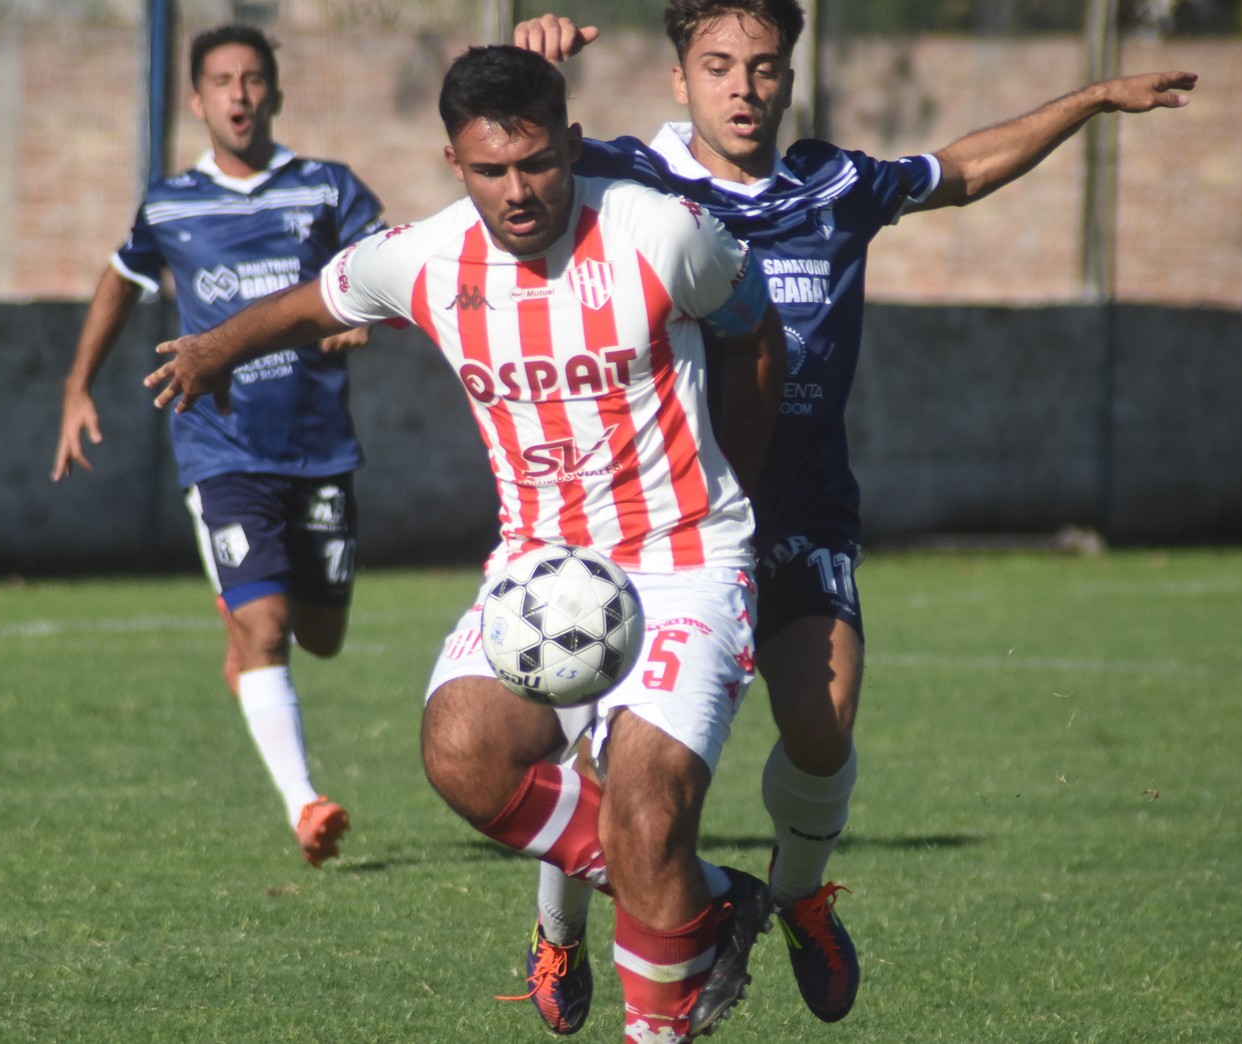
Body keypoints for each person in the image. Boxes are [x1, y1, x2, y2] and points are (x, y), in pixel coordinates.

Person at [512, 1, 1197, 1029]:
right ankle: (558, 933)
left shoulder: (831, 186)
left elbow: (959, 171)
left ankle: (795, 897)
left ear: (788, 78)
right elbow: (511, 173)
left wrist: (1093, 96)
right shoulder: (624, 180)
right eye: (717, 66)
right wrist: (531, 70)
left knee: (822, 728)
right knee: (609, 763)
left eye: (762, 67)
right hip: (662, 517)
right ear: (677, 80)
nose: (741, 87)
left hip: (799, 509)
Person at [146, 44, 788, 1043]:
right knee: (460, 751)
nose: (517, 189)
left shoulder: (659, 234)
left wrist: (739, 484)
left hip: (683, 556)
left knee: (645, 796)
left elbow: (754, 333)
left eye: (536, 162)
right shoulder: (426, 256)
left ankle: (657, 995)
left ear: (571, 145)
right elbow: (318, 300)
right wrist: (212, 348)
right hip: (540, 570)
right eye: (490, 169)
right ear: (453, 162)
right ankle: (699, 896)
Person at [50, 24, 387, 868]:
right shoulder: (169, 204)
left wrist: (364, 317)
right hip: (219, 446)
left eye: (252, 79)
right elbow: (121, 282)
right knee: (269, 630)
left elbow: (384, 265)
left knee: (321, 636)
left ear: (273, 93)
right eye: (221, 82)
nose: (238, 95)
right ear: (197, 101)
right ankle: (304, 804)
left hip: (317, 447)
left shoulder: (326, 188)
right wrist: (75, 386)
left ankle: (242, 627)